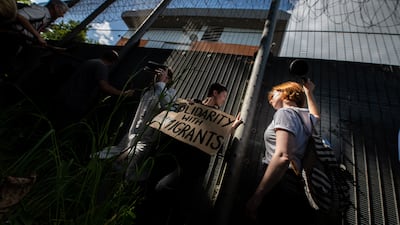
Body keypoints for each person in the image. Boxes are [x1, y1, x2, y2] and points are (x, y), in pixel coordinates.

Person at [135, 83, 242, 225]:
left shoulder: (220, 120)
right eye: (223, 96)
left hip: (194, 168)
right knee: (158, 194)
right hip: (173, 159)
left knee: (179, 205)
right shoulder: (191, 104)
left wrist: (231, 128)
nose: (224, 100)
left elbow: (216, 142)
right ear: (215, 93)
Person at [245, 79, 320, 224]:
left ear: (286, 94)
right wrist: (309, 92)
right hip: (293, 182)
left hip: (278, 182)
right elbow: (316, 116)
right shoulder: (305, 118)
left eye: (273, 95)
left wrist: (258, 195)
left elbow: (282, 156)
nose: (270, 100)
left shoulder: (284, 113)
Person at [55, 50, 134, 126]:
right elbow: (105, 86)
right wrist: (124, 94)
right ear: (113, 62)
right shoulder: (102, 66)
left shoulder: (90, 61)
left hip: (64, 95)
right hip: (74, 101)